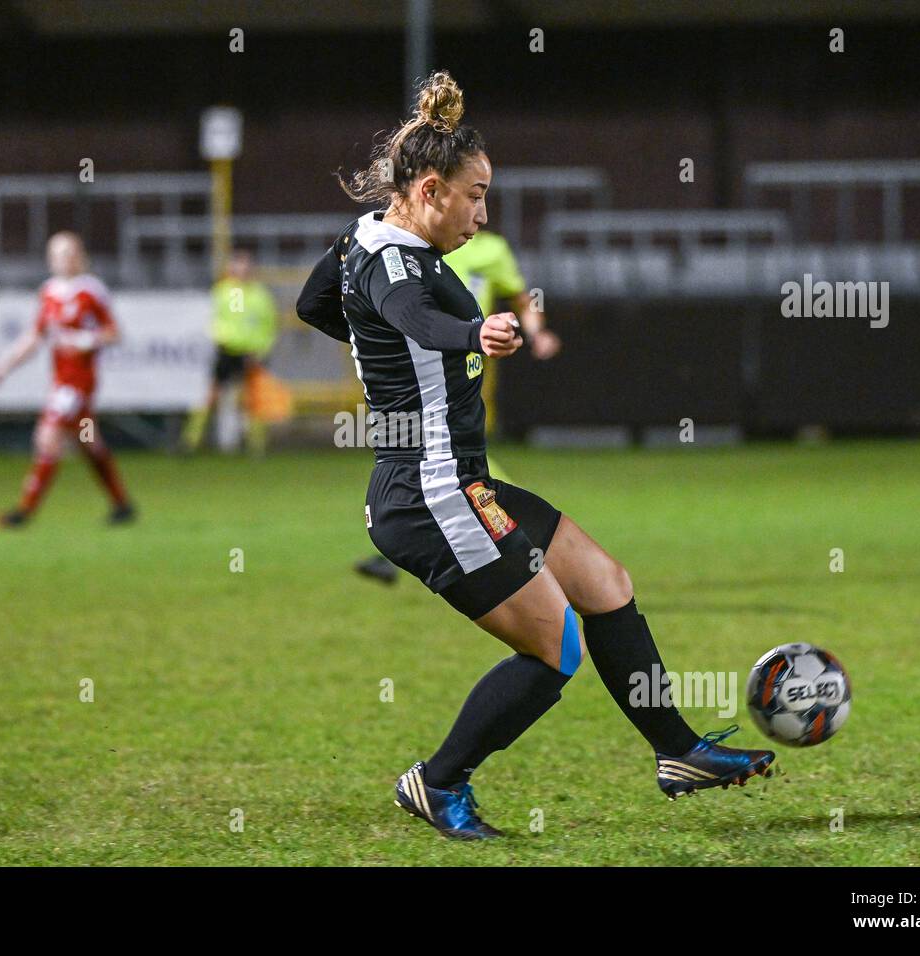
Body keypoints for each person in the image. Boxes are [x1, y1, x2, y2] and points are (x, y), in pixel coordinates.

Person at [296, 71, 773, 840]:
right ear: (427, 189)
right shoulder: (394, 263)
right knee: (556, 651)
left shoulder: (367, 239)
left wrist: (383, 352)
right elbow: (410, 313)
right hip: (429, 493)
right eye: (475, 194)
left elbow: (315, 304)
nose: (483, 214)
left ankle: (678, 751)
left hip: (460, 481)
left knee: (605, 583)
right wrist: (467, 335)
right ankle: (437, 782)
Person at [354, 229, 560, 584]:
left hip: (465, 361)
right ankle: (514, 532)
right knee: (428, 453)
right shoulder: (419, 249)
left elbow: (521, 298)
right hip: (419, 367)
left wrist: (537, 332)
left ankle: (520, 531)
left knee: (450, 454)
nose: (475, 212)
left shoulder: (493, 250)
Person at [0, 231, 134, 527]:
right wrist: (7, 363)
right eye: (57, 253)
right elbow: (36, 337)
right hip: (60, 380)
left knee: (47, 438)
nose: (63, 259)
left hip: (79, 382)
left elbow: (115, 333)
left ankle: (24, 511)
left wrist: (86, 339)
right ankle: (122, 505)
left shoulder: (91, 290)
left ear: (80, 256)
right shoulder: (48, 292)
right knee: (88, 441)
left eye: (69, 252)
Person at [181, 249, 279, 455]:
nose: (242, 269)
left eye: (245, 264)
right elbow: (227, 320)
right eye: (238, 264)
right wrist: (226, 340)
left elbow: (269, 326)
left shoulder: (260, 295)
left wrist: (260, 350)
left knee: (252, 399)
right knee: (211, 395)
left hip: (251, 352)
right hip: (228, 350)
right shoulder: (228, 291)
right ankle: (190, 441)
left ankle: (257, 446)